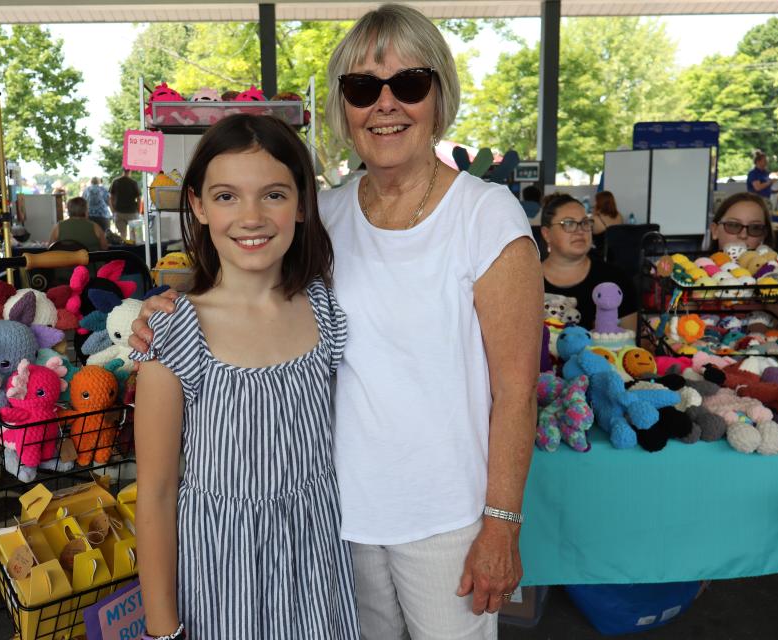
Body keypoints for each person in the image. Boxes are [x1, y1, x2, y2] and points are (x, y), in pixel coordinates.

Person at [131, 5, 542, 638]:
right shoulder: (324, 214)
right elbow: (250, 274)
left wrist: (502, 522)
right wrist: (166, 312)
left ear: (439, 96)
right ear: (342, 105)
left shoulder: (486, 217)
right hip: (336, 522)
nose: (385, 104)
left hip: (444, 520)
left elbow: (516, 390)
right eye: (361, 87)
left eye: (409, 83)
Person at [129, 114, 359, 640]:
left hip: (317, 569)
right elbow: (158, 493)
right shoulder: (172, 331)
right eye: (227, 196)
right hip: (219, 581)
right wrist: (162, 629)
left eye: (273, 195)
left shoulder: (326, 309)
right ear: (198, 206)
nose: (250, 216)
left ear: (302, 205)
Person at [541, 193, 637, 331]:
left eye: (585, 222)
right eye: (568, 223)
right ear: (546, 234)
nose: (580, 230)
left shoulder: (615, 279)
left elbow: (631, 345)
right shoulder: (527, 281)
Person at [709, 191, 774, 251]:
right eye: (733, 226)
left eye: (754, 228)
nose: (743, 235)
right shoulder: (700, 263)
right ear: (715, 231)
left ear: (764, 235)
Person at [110, 169, 142, 240]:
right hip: (132, 212)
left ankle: (123, 250)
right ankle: (133, 250)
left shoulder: (116, 182)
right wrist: (139, 212)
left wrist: (113, 211)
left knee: (122, 235)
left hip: (119, 212)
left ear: (123, 171)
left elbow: (111, 198)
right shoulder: (133, 183)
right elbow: (139, 199)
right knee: (134, 237)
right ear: (130, 171)